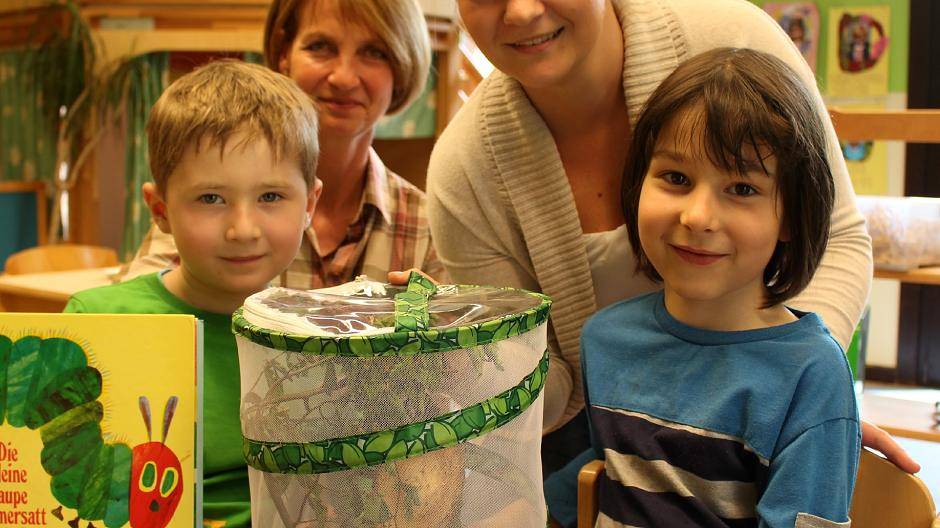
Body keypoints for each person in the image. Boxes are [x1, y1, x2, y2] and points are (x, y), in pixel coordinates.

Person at [427, 0, 916, 475]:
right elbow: (547, 392)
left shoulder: (733, 38)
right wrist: (472, 361)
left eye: (740, 188)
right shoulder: (462, 172)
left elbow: (839, 237)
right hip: (599, 437)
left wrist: (798, 391)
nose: (521, 12)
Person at [543, 47, 860, 528]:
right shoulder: (606, 337)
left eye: (742, 189)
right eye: (675, 177)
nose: (698, 217)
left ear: (792, 214)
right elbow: (604, 476)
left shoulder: (809, 376)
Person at [64, 59, 321, 527]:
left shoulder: (322, 338)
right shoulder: (98, 324)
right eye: (210, 199)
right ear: (160, 210)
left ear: (310, 205)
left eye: (270, 198)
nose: (242, 230)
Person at [121, 0, 446, 287]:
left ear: (402, 69)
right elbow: (146, 318)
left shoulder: (428, 226)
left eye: (375, 53)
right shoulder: (206, 203)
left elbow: (464, 354)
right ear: (282, 54)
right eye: (321, 47)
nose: (344, 78)